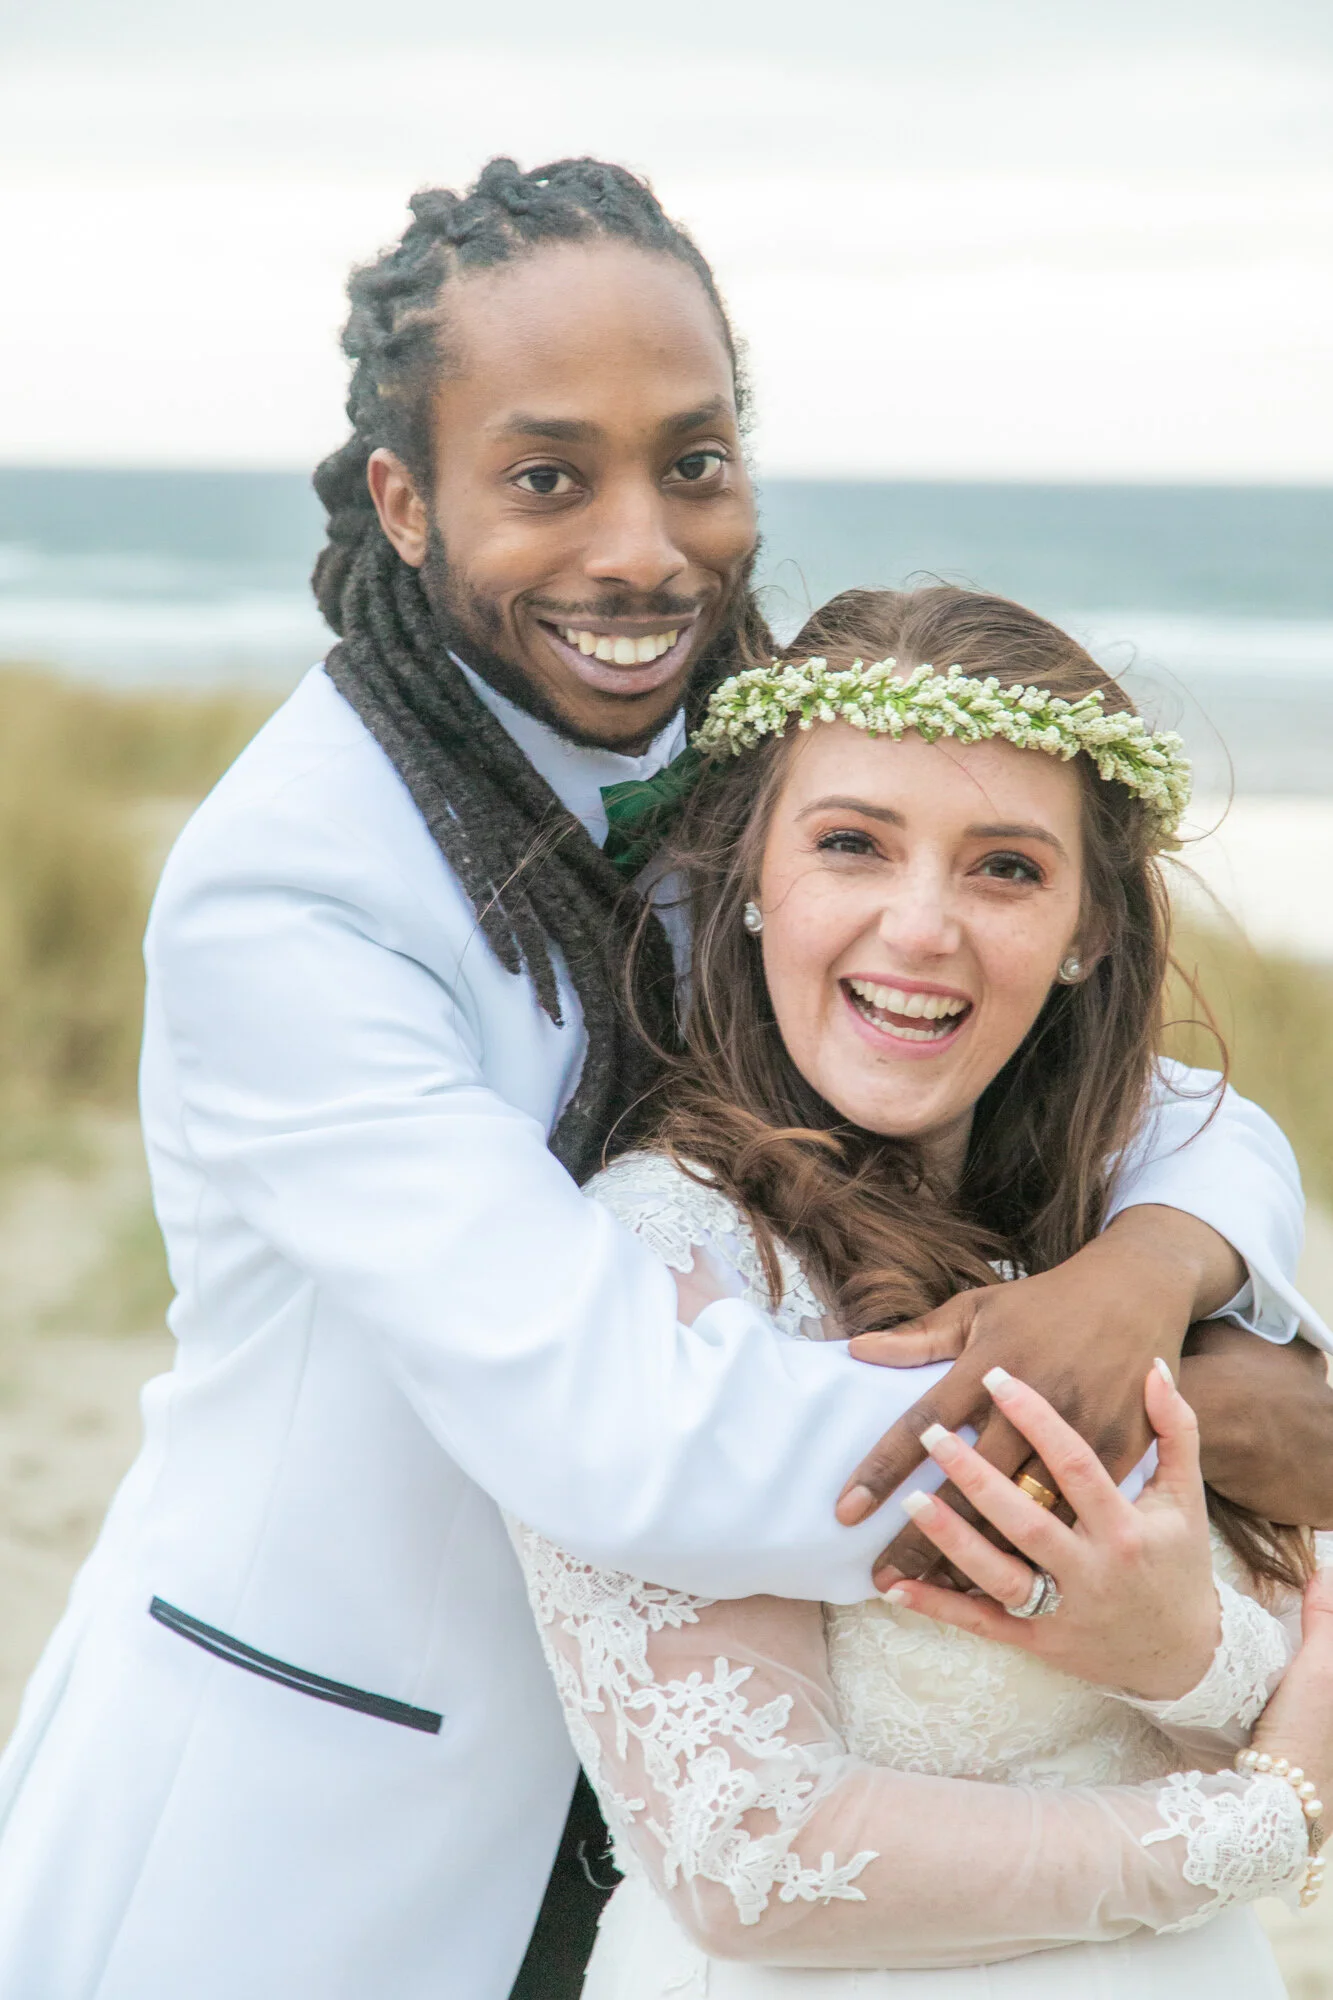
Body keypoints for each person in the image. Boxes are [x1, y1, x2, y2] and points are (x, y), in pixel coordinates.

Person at [0, 160, 1326, 2000]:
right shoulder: (288, 891)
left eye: (693, 463)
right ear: (404, 498)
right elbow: (623, 1429)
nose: (644, 550)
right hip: (352, 1808)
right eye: (549, 476)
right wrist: (1161, 1436)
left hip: (732, 1753)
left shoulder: (755, 750)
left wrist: (1150, 1279)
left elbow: (1174, 1109)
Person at [510, 583, 1333, 1995]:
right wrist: (1263, 1826)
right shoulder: (658, 1257)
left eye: (1005, 868)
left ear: (1087, 933)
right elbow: (748, 1853)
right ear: (752, 879)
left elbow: (1279, 1651)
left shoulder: (1129, 1212)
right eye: (852, 845)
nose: (923, 926)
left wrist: (1180, 1653)